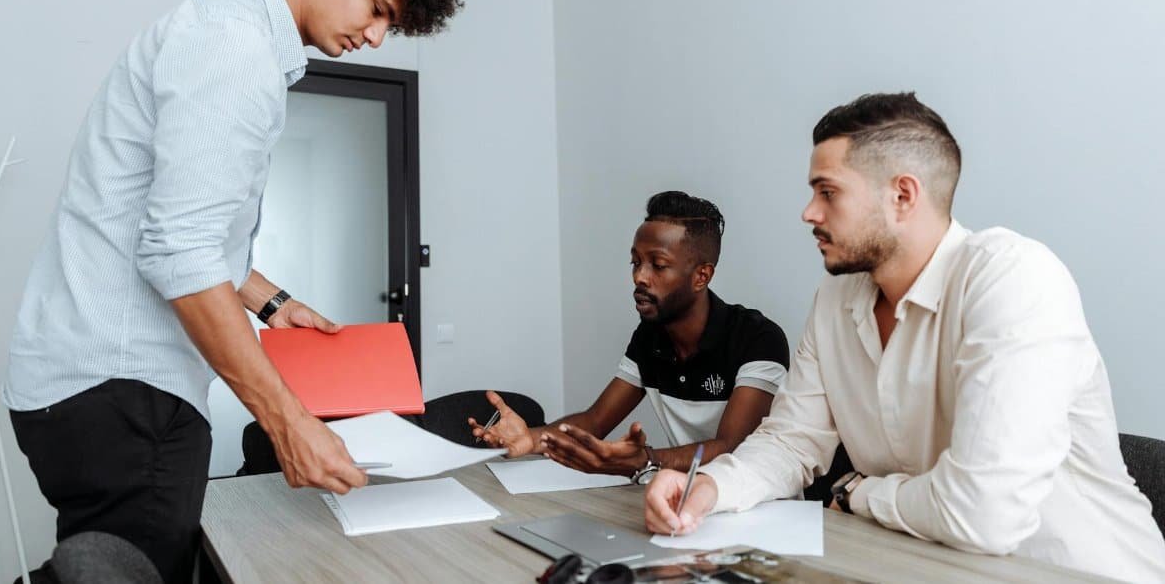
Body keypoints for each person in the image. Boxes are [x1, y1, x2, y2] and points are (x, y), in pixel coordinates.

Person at [3, 0, 468, 582]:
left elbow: (167, 222)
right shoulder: (236, 47)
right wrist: (287, 422)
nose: (376, 36)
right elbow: (180, 252)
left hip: (92, 383)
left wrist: (272, 302)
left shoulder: (226, 34)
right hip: (123, 386)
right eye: (377, 9)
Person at [644, 93, 1165, 582]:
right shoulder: (835, 299)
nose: (809, 212)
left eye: (828, 192)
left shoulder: (1013, 280)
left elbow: (983, 514)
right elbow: (790, 441)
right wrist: (708, 488)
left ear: (902, 195)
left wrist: (862, 494)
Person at [470, 191, 789, 483]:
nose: (640, 277)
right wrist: (532, 438)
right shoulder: (651, 337)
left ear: (701, 276)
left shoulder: (757, 338)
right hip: (686, 499)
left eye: (658, 265)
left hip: (763, 505)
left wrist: (646, 460)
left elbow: (732, 447)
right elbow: (595, 420)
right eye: (636, 262)